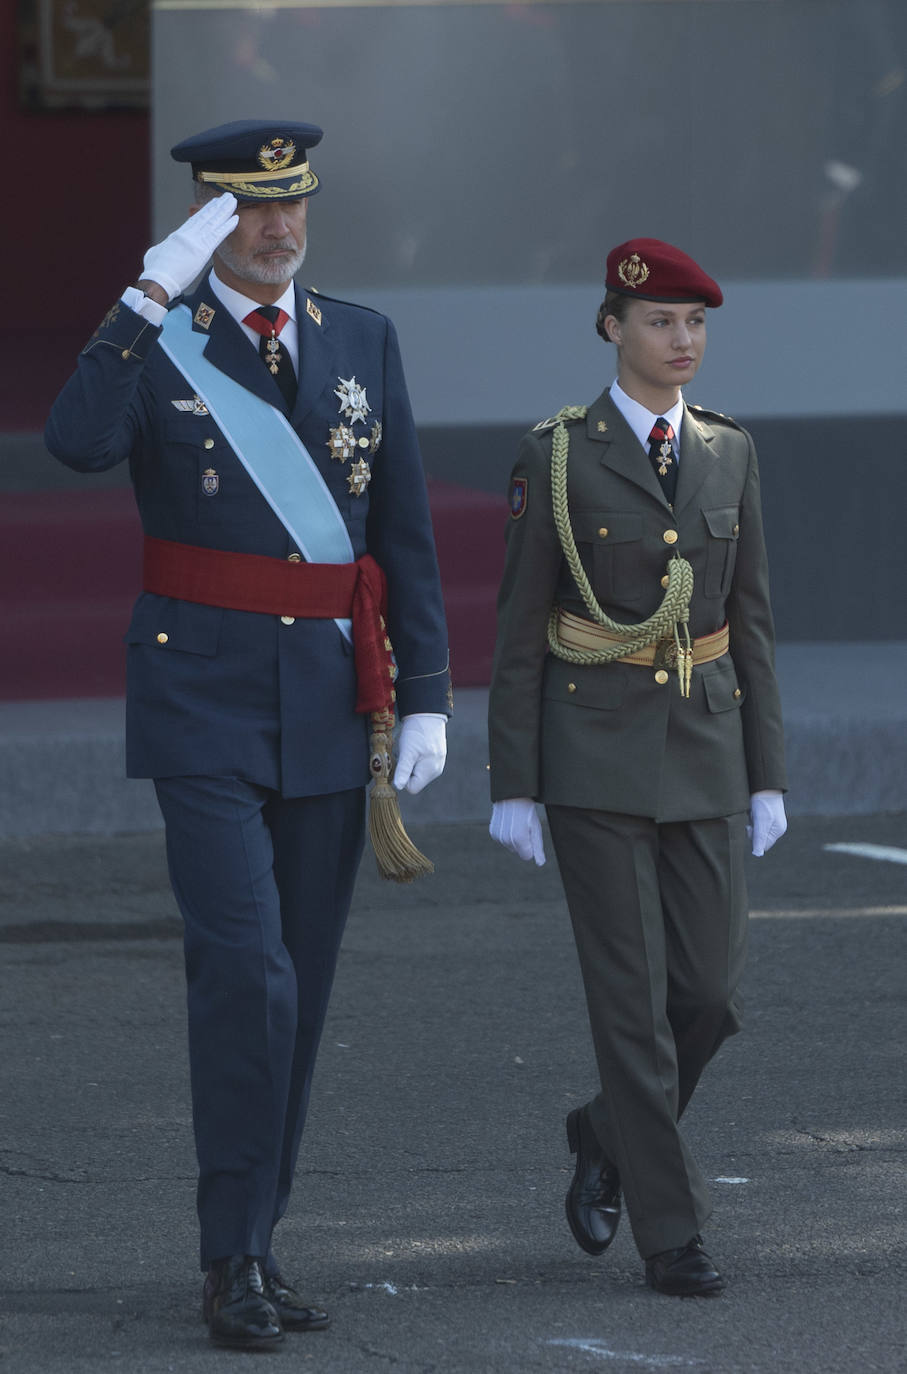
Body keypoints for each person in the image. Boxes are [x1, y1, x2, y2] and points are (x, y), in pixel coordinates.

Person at [46, 118, 452, 1350]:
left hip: (331, 700)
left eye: (293, 206)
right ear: (211, 220)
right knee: (247, 972)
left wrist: (424, 688)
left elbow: (405, 527)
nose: (277, 229)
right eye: (249, 211)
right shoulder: (161, 338)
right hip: (202, 699)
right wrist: (147, 292)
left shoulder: (360, 340)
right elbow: (75, 442)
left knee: (302, 991)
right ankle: (228, 1256)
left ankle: (260, 1245)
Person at [487, 238, 787, 1297]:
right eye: (661, 321)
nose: (683, 340)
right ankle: (673, 1232)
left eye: (696, 323)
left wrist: (767, 772)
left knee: (706, 997)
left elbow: (748, 621)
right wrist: (512, 782)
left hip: (704, 746)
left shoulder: (728, 452)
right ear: (611, 329)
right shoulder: (557, 454)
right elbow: (521, 625)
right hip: (591, 755)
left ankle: (603, 1130)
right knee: (630, 1005)